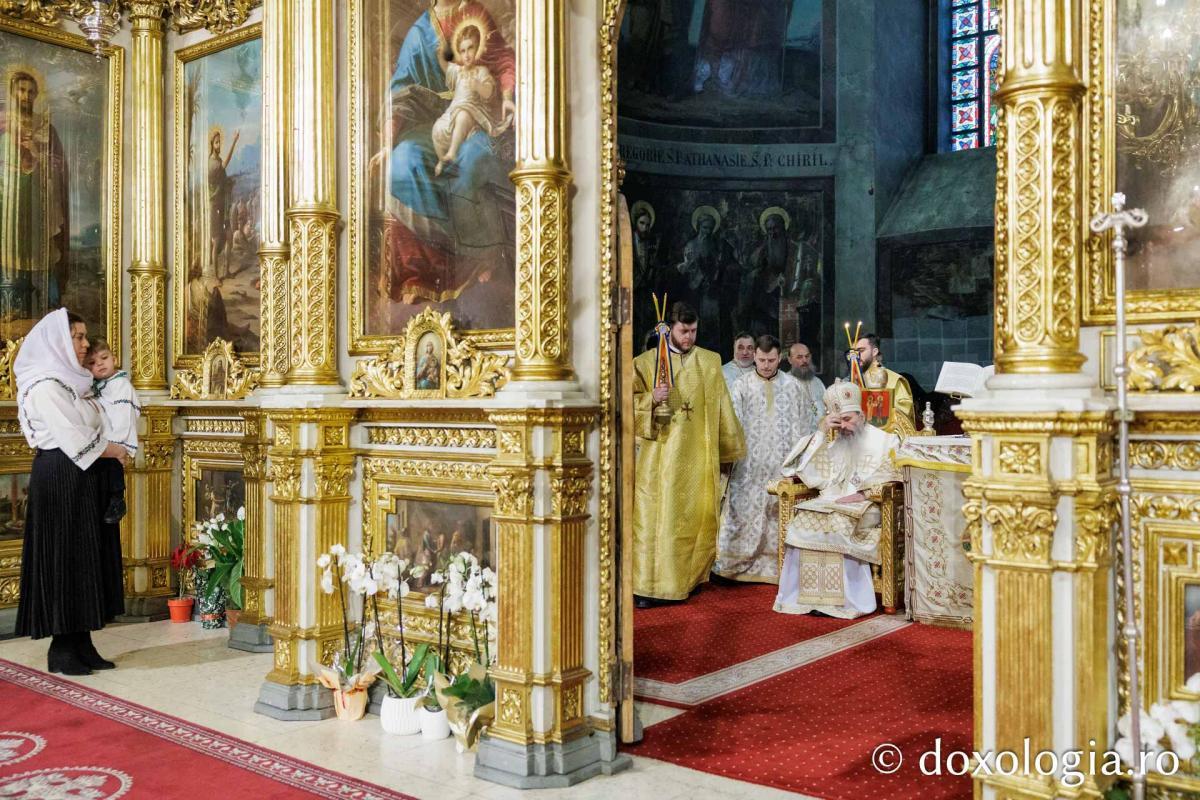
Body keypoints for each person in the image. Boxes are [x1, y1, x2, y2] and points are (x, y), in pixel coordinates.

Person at [14, 309, 130, 675]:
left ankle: (83, 641)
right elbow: (75, 437)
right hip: (61, 477)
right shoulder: (45, 386)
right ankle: (62, 648)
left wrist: (109, 444)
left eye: (84, 336)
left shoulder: (74, 383)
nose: (84, 344)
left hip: (83, 475)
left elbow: (97, 423)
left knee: (85, 556)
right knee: (65, 556)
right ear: (58, 342)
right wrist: (115, 449)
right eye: (77, 337)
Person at [632, 301, 745, 607]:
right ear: (669, 328)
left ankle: (688, 579)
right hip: (659, 459)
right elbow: (624, 403)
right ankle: (649, 587)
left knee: (693, 519)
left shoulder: (709, 361)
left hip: (697, 456)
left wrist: (728, 450)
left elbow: (722, 405)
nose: (689, 337)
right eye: (684, 331)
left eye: (694, 331)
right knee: (655, 522)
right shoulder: (645, 363)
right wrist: (651, 399)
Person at [774, 381, 901, 619]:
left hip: (870, 504)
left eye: (848, 419)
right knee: (801, 521)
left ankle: (846, 602)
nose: (843, 426)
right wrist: (822, 432)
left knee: (838, 523)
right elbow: (807, 472)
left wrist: (863, 494)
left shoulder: (886, 441)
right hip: (833, 502)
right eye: (838, 422)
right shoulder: (834, 444)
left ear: (861, 415)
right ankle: (808, 599)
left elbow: (894, 474)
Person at [714, 335, 811, 583]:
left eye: (771, 360)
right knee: (741, 512)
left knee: (778, 514)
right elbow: (731, 426)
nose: (766, 365)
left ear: (779, 358)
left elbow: (805, 427)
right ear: (755, 357)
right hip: (748, 466)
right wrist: (729, 458)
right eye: (761, 360)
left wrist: (799, 463)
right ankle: (733, 565)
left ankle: (780, 565)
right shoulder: (741, 386)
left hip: (782, 466)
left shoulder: (793, 387)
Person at [0, 69, 70, 321]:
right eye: (21, 90)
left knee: (42, 252)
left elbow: (58, 165)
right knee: (9, 251)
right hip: (8, 199)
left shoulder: (45, 127)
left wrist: (36, 151)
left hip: (38, 200)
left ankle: (48, 307)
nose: (25, 96)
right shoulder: (2, 123)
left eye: (30, 92)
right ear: (12, 92)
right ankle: (11, 307)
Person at [432, 21, 512, 176]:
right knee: (438, 128)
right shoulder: (458, 71)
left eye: (470, 48)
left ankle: (452, 153)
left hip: (473, 111)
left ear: (477, 48)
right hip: (453, 112)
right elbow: (446, 67)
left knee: (463, 115)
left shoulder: (481, 71)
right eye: (462, 51)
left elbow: (488, 92)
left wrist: (478, 86)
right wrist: (440, 53)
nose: (467, 54)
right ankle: (443, 159)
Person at [86, 338, 140, 524]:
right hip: (106, 435)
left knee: (114, 466)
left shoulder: (121, 385)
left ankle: (118, 500)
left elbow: (124, 415)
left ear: (114, 359)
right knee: (107, 469)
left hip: (117, 434)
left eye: (104, 358)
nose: (99, 364)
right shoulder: (100, 385)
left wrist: (117, 442)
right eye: (92, 363)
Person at [853, 333, 914, 426]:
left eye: (861, 351)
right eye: (853, 352)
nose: (856, 355)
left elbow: (903, 415)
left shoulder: (894, 380)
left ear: (874, 352)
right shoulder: (851, 380)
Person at [788, 342, 825, 434]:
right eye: (799, 357)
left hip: (820, 435)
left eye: (807, 356)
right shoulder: (784, 384)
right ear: (790, 360)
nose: (804, 360)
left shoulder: (818, 382)